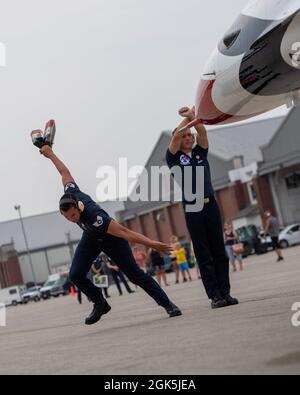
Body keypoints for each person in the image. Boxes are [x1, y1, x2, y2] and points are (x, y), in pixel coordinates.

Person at [37, 145, 182, 325]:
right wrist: (50, 154)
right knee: (75, 274)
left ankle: (167, 304)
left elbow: (124, 232)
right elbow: (63, 171)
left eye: (73, 215)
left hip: (111, 239)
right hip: (91, 238)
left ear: (78, 206)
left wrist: (153, 244)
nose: (72, 219)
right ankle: (100, 303)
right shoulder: (71, 192)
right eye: (67, 218)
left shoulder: (95, 216)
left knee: (135, 275)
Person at [166, 106, 238, 309]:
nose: (189, 137)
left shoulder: (200, 153)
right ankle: (214, 296)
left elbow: (203, 133)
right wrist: (188, 119)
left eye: (191, 135)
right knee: (203, 253)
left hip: (210, 205)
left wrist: (195, 119)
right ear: (179, 139)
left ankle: (226, 292)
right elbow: (176, 136)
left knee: (219, 251)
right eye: (186, 135)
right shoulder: (173, 158)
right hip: (193, 208)